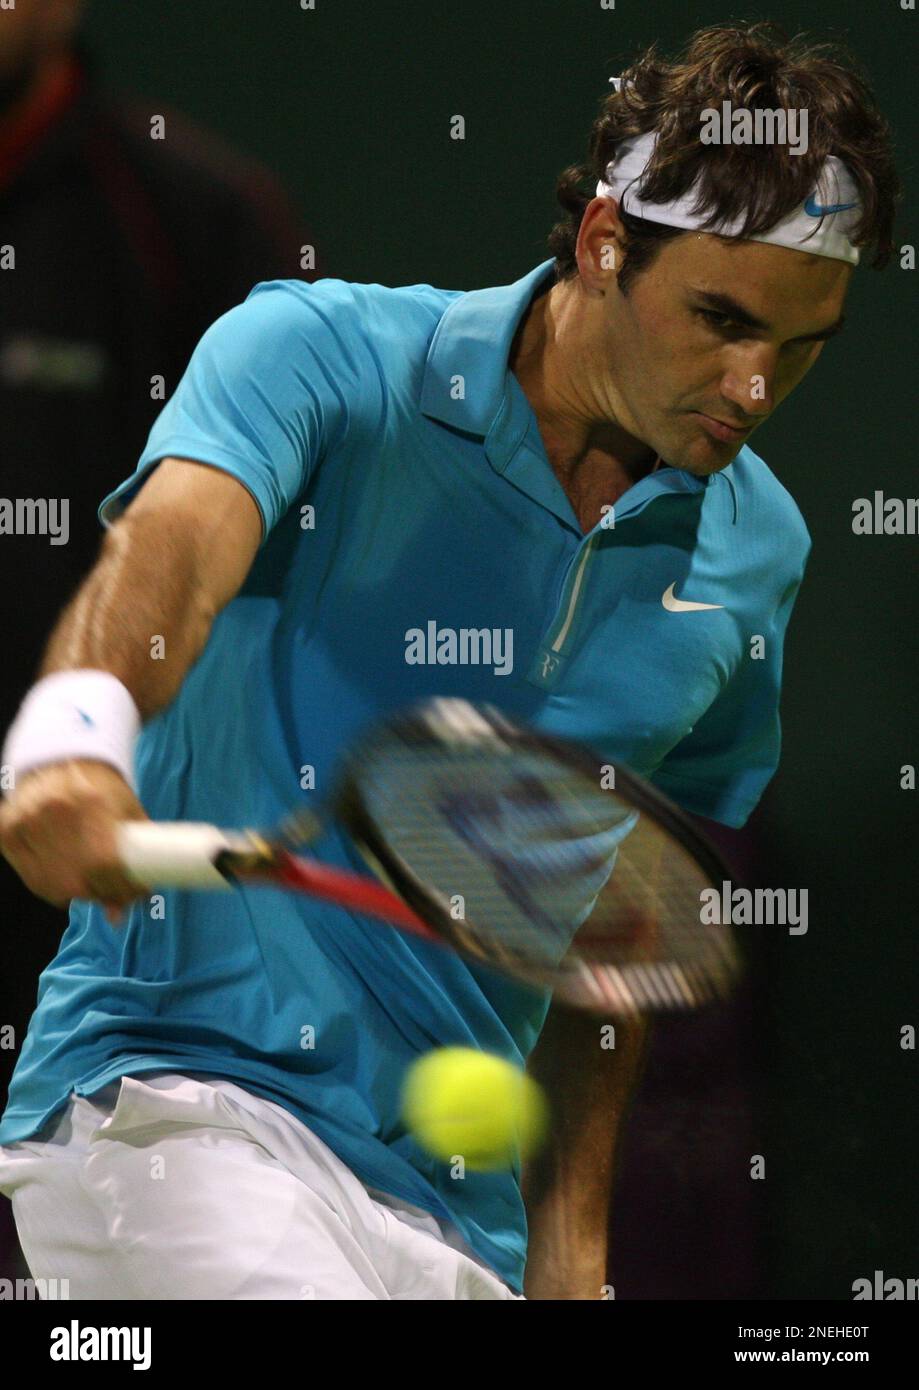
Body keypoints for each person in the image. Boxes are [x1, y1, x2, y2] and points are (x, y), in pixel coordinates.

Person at [0, 23, 899, 1300]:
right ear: (602, 241)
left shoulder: (758, 553)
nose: (755, 388)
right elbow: (172, 555)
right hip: (178, 1111)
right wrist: (75, 743)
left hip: (446, 1218)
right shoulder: (322, 356)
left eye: (802, 346)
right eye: (721, 319)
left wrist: (573, 1242)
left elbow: (610, 925)